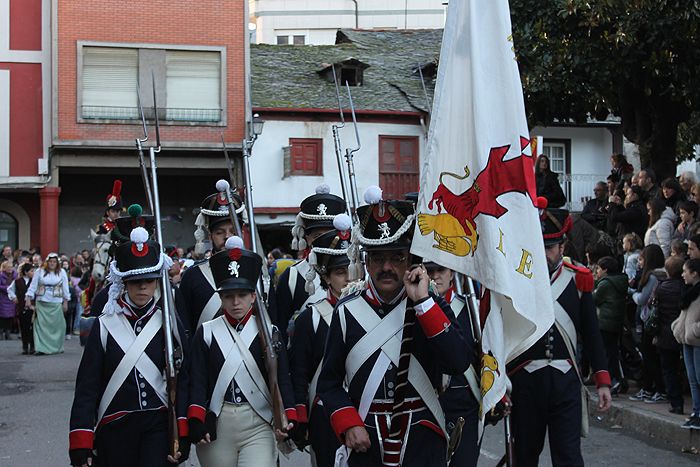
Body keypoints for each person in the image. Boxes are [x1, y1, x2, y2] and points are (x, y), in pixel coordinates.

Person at [317, 186, 472, 467]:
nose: (386, 267)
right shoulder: (347, 309)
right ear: (366, 261)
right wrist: (349, 423)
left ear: (411, 260)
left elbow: (457, 361)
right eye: (377, 258)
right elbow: (329, 383)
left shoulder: (430, 302)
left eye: (397, 257)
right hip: (367, 438)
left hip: (422, 438)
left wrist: (423, 303)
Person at [68, 227, 189, 466]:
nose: (142, 287)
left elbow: (183, 378)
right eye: (135, 282)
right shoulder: (105, 325)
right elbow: (87, 388)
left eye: (148, 280)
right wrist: (81, 440)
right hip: (115, 425)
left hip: (158, 423)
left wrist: (182, 432)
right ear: (124, 282)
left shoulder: (168, 323)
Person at [507, 207, 612, 467]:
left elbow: (590, 332)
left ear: (562, 246)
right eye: (538, 245)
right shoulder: (517, 279)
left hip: (565, 382)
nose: (543, 253)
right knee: (524, 455)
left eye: (550, 246)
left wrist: (602, 381)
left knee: (568, 457)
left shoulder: (578, 279)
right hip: (526, 382)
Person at [186, 236, 296, 466]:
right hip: (218, 419)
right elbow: (197, 380)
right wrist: (196, 418)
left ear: (254, 296)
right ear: (221, 298)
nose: (236, 302)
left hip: (259, 420)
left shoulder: (270, 332)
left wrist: (289, 415)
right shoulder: (206, 333)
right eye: (228, 296)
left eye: (242, 295)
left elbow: (282, 378)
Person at [289, 214, 352, 466]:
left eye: (351, 270)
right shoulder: (310, 318)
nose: (348, 278)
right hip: (325, 413)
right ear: (326, 278)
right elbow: (300, 372)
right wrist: (301, 417)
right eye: (339, 272)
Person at [271, 184, 345, 344]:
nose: (324, 241)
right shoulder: (291, 277)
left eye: (331, 234)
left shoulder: (359, 273)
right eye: (317, 235)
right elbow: (279, 328)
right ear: (306, 238)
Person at [426, 261, 480, 467]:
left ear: (452, 274)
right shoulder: (415, 307)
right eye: (430, 271)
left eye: (441, 270)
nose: (436, 276)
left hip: (463, 406)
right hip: (430, 405)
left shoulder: (470, 307)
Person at [178, 189, 245, 337]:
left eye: (233, 231)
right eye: (220, 232)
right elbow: (185, 327)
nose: (227, 237)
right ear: (211, 236)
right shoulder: (193, 276)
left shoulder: (256, 272)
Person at [628, 244, 667, 402]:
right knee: (649, 357)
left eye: (642, 259)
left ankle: (658, 389)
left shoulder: (651, 277)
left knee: (650, 357)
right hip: (650, 321)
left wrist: (632, 294)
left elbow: (641, 299)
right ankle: (648, 388)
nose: (639, 262)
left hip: (650, 322)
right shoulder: (658, 275)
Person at [593, 256, 629, 394]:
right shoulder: (620, 281)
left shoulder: (605, 284)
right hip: (616, 322)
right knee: (613, 352)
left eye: (598, 269)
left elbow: (594, 299)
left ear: (605, 270)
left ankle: (613, 381)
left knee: (608, 354)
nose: (596, 271)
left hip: (605, 322)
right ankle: (618, 380)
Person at [655, 256, 685, 414]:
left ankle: (676, 402)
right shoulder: (684, 287)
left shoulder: (661, 288)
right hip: (682, 331)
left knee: (669, 369)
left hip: (665, 333)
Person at [672, 258, 700, 429]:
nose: (682, 274)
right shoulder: (687, 291)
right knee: (692, 379)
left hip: (696, 340)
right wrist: (678, 327)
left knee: (699, 377)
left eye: (685, 271)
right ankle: (696, 412)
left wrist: (695, 330)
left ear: (695, 273)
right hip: (686, 339)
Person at [24, 253, 70, 355]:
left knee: (57, 326)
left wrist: (65, 301)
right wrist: (28, 298)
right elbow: (33, 286)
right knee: (41, 326)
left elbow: (65, 288)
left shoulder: (62, 272)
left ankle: (55, 347)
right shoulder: (39, 271)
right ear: (47, 262)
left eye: (54, 262)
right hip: (42, 301)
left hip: (56, 302)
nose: (52, 264)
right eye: (50, 261)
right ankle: (41, 348)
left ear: (57, 263)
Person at [9, 263, 35, 354]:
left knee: (32, 328)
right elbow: (10, 289)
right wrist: (13, 297)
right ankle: (25, 346)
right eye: (31, 271)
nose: (33, 273)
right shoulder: (17, 281)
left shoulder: (34, 281)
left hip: (33, 307)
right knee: (24, 327)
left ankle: (33, 346)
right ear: (25, 272)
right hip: (21, 307)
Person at [0, 260, 16, 340]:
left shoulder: (15, 275)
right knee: (2, 317)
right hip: (3, 298)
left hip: (11, 298)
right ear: (4, 268)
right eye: (8, 267)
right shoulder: (1, 276)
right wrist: (8, 288)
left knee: (10, 317)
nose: (10, 269)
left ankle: (8, 333)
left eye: (11, 267)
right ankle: (1, 332)